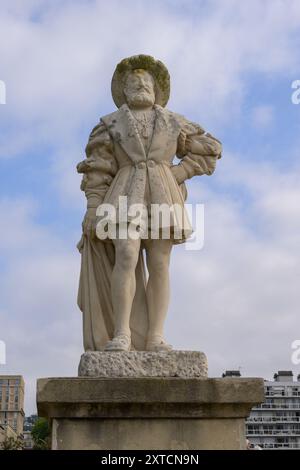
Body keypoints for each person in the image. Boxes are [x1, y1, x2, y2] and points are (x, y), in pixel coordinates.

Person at [77, 55, 222, 352]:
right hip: (123, 194)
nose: (141, 85)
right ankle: (122, 334)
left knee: (159, 263)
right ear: (124, 90)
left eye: (146, 82)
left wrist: (179, 173)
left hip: (162, 192)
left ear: (157, 89)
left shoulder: (173, 121)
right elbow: (98, 168)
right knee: (127, 255)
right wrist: (93, 207)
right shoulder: (110, 124)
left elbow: (210, 149)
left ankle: (155, 336)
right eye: (134, 82)